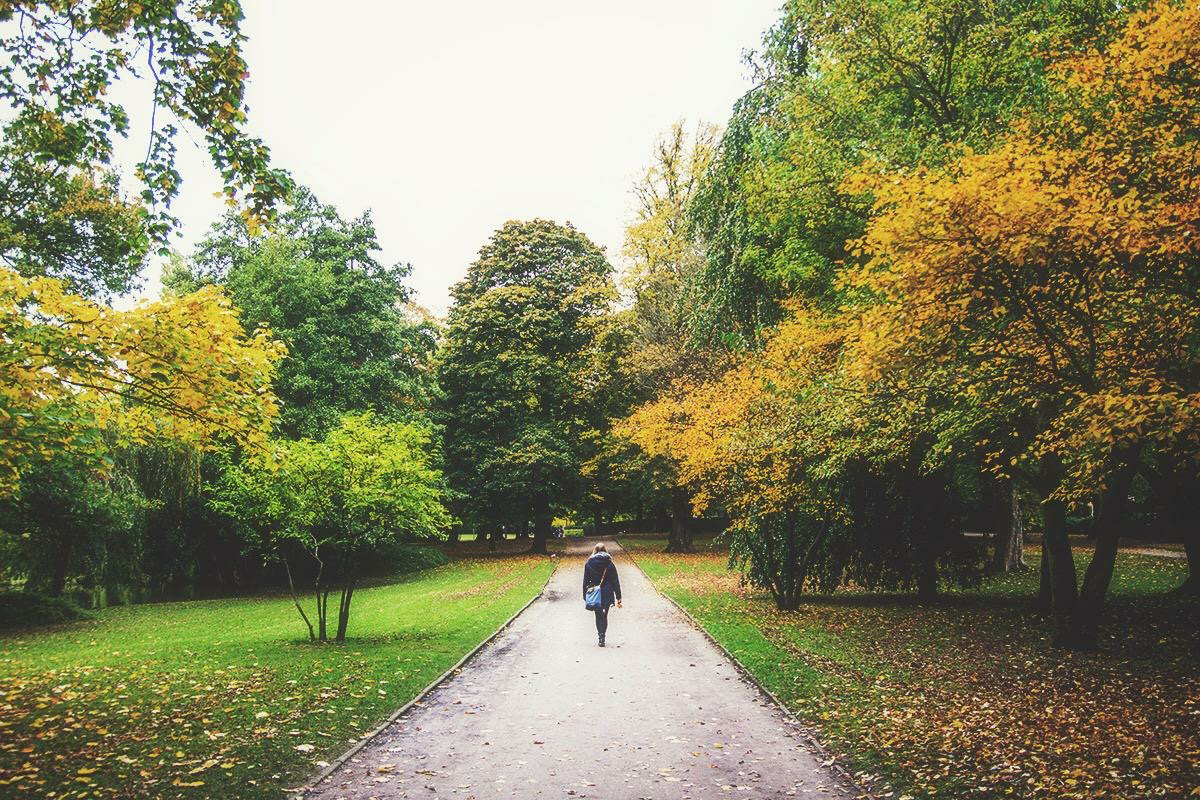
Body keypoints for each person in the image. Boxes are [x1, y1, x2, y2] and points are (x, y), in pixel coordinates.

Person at [582, 542, 622, 646]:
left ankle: (600, 637)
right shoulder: (609, 563)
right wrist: (618, 596)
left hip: (595, 592)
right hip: (607, 592)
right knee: (604, 615)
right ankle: (603, 635)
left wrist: (585, 596)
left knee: (598, 615)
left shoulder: (589, 563)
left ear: (594, 550)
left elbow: (585, 581)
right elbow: (615, 581)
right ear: (605, 550)